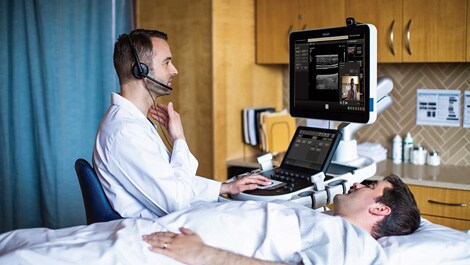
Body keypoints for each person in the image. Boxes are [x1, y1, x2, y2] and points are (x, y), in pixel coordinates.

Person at [93, 29, 270, 218]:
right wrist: (179, 139)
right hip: (158, 232)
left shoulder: (132, 124)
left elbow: (172, 183)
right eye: (167, 62)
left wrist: (225, 187)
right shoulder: (125, 133)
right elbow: (176, 202)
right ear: (140, 70)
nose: (174, 70)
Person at [143, 174, 421, 265]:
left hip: (162, 251)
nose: (357, 183)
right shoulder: (326, 222)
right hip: (156, 233)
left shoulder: (353, 241)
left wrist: (204, 254)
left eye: (370, 185)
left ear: (381, 210)